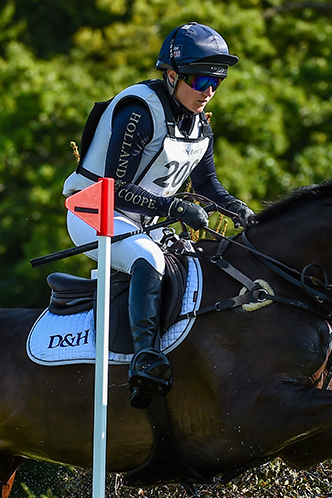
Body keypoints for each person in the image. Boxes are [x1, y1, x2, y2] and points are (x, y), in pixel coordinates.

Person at [63, 22, 256, 409]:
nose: (209, 91)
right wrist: (172, 207)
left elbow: (208, 186)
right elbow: (113, 187)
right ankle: (145, 358)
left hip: (145, 223)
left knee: (203, 266)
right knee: (149, 259)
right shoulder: (139, 109)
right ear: (172, 74)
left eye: (216, 82)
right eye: (200, 80)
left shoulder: (200, 124)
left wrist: (239, 210)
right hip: (94, 213)